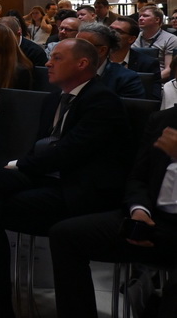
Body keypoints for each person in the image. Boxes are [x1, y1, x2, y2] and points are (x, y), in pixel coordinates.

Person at [0, 39, 131, 318]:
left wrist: (19, 165)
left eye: (57, 58)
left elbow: (70, 152)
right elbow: (42, 148)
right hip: (49, 177)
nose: (48, 63)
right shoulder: (53, 100)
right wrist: (22, 165)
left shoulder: (102, 101)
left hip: (80, 189)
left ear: (82, 64)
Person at [49, 107, 177, 318]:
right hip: (154, 220)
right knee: (65, 236)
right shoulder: (163, 119)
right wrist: (139, 210)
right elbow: (138, 177)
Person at [77, 21, 145, 99]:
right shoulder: (68, 71)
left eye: (81, 46)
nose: (74, 50)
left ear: (102, 51)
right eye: (74, 44)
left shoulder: (126, 79)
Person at [136, 5, 177, 80]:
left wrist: (148, 80)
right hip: (134, 78)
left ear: (157, 20)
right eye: (140, 16)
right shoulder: (133, 38)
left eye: (145, 16)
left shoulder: (171, 39)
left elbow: (169, 70)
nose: (140, 18)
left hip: (159, 80)